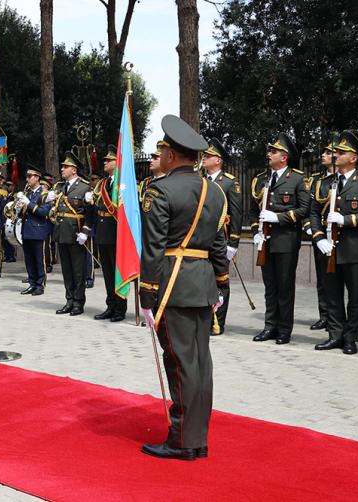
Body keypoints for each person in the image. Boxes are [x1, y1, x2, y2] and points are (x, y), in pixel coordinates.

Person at [139, 115, 229, 461]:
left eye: (161, 152)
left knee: (180, 364)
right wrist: (222, 285)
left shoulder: (161, 189)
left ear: (171, 156)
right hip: (204, 282)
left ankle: (181, 441)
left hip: (172, 283)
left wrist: (147, 294)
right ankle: (196, 437)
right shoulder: (214, 190)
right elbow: (218, 244)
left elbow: (154, 247)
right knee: (200, 363)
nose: (158, 157)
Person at [249, 133, 310, 345]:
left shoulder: (298, 179)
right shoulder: (262, 179)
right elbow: (252, 210)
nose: (269, 154)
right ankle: (270, 326)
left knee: (285, 287)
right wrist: (256, 229)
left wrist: (278, 217)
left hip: (286, 238)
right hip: (266, 240)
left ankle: (284, 329)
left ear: (284, 157)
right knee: (270, 287)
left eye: (273, 152)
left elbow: (304, 209)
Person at [311, 131, 358, 355]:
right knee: (331, 294)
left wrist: (348, 220)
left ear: (353, 158)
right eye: (336, 152)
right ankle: (335, 335)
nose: (336, 155)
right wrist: (319, 237)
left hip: (354, 249)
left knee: (356, 297)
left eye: (341, 152)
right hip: (329, 248)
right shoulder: (326, 183)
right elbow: (313, 213)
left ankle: (350, 338)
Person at [46, 152, 94, 316]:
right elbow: (41, 201)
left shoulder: (85, 187)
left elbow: (90, 214)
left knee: (78, 271)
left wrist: (85, 232)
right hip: (61, 233)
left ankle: (78, 303)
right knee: (66, 270)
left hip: (76, 234)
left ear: (74, 170)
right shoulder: (59, 187)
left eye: (65, 167)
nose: (62, 169)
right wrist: (46, 197)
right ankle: (69, 300)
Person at [201, 138, 242, 335]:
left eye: (208, 156)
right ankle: (205, 319)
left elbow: (236, 214)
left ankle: (219, 321)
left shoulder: (229, 182)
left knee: (221, 281)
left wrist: (233, 242)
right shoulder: (200, 181)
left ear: (218, 160)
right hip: (201, 240)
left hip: (221, 240)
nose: (204, 159)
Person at [93, 145, 127, 322]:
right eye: (105, 160)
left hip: (117, 235)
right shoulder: (103, 183)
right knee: (107, 273)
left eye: (109, 160)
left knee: (118, 274)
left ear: (117, 162)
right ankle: (110, 305)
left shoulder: (124, 183)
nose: (104, 162)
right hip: (103, 233)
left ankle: (120, 309)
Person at [305, 141, 336, 331]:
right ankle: (325, 315)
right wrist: (311, 228)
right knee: (323, 278)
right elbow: (310, 209)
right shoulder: (316, 180)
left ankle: (341, 318)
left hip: (343, 232)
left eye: (328, 152)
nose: (323, 155)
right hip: (322, 233)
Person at [15, 165, 50, 295]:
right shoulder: (27, 194)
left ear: (37, 178)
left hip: (38, 231)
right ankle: (32, 283)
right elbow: (22, 214)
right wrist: (19, 209)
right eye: (27, 177)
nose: (27, 179)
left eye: (30, 177)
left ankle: (40, 285)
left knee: (40, 260)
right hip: (27, 231)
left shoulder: (44, 194)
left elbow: (43, 212)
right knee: (29, 260)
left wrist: (28, 204)